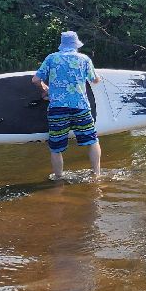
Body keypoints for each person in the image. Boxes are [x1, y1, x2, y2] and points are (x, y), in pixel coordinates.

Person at [33, 29, 102, 179]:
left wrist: (45, 88)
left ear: (61, 45)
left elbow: (35, 80)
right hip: (80, 107)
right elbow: (95, 80)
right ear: (76, 45)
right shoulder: (84, 59)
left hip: (58, 108)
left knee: (56, 147)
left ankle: (58, 178)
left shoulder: (52, 58)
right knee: (92, 140)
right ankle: (96, 174)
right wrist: (98, 78)